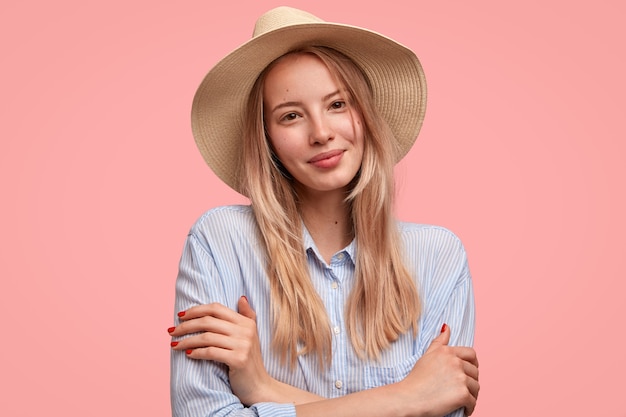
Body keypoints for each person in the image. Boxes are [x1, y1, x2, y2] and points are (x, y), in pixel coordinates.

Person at [168, 6, 479, 417]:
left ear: (366, 116)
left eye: (337, 104)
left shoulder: (439, 257)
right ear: (267, 139)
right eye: (291, 116)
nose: (321, 133)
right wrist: (407, 399)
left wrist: (264, 387)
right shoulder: (220, 240)